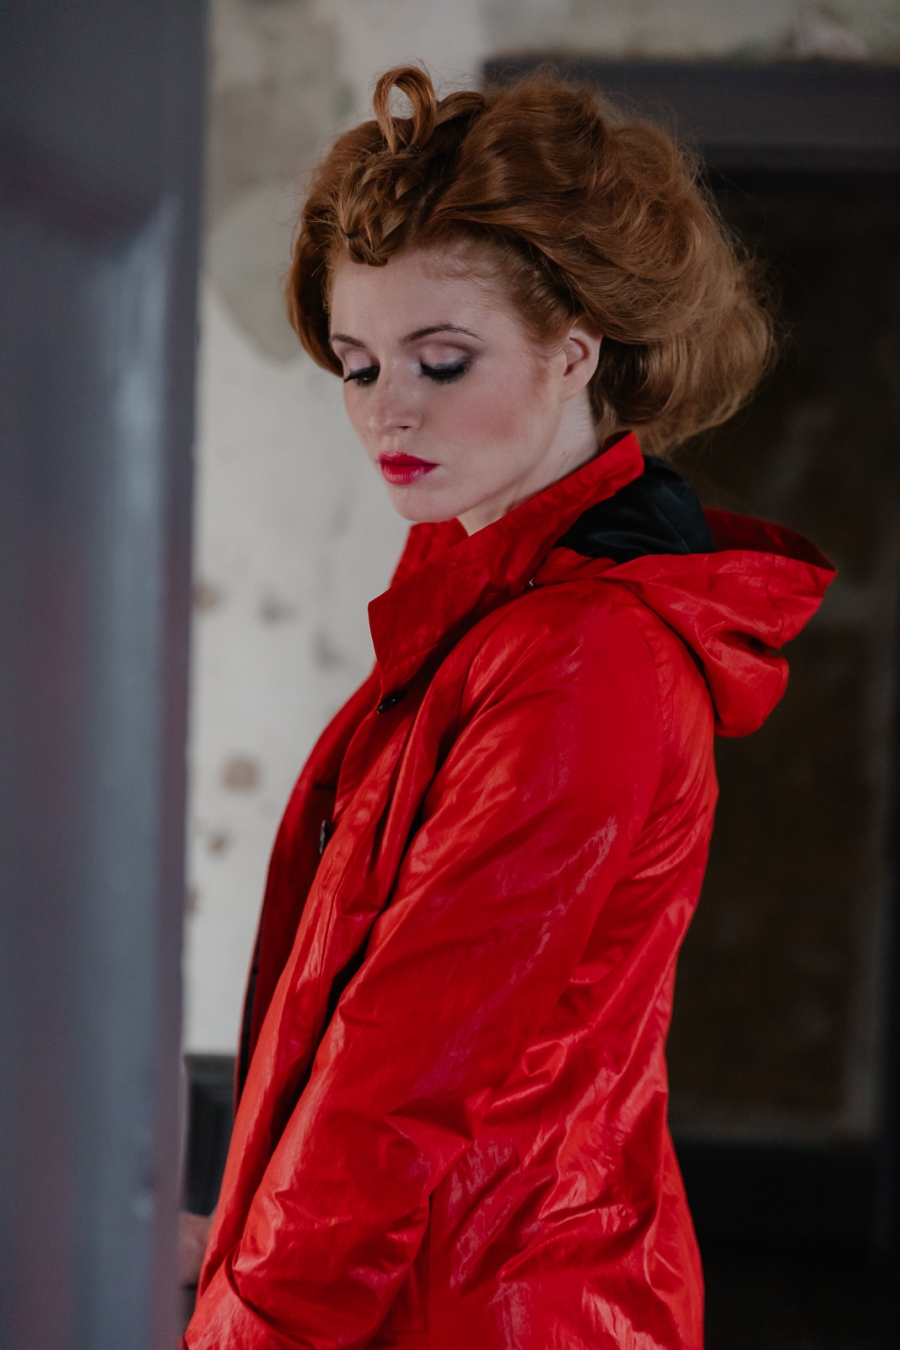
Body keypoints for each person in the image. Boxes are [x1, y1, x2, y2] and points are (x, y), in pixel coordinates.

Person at [182, 66, 834, 1349]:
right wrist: (236, 1250)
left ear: (574, 352)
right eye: (359, 365)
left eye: (442, 360)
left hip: (498, 1308)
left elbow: (403, 1068)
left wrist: (249, 1324)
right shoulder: (489, 614)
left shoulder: (584, 656)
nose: (389, 409)